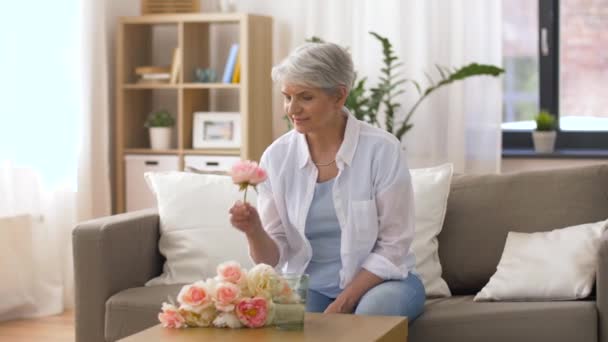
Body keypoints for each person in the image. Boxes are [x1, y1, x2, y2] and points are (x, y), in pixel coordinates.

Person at [229, 42, 425, 321]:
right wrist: (253, 229)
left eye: (305, 97)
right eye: (287, 97)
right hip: (311, 286)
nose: (292, 109)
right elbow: (272, 258)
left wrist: (343, 304)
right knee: (281, 323)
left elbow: (393, 246)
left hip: (384, 282)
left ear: (339, 96)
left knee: (370, 316)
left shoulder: (382, 150)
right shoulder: (276, 157)